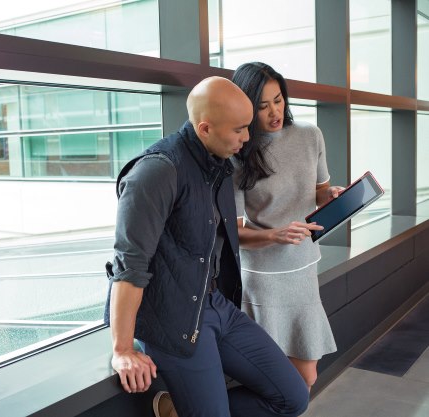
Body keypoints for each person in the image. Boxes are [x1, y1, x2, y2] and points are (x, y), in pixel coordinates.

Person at [104, 76, 309, 417]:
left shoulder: (219, 165)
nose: (246, 139)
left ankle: (181, 411)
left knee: (293, 398)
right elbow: (129, 266)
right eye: (240, 130)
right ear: (205, 128)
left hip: (215, 304)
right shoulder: (156, 172)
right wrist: (123, 348)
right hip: (172, 319)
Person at [231, 62, 340, 391]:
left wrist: (330, 195)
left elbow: (318, 190)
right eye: (262, 106)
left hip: (303, 269)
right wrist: (274, 235)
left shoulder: (310, 135)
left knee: (306, 377)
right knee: (278, 382)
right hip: (263, 278)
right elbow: (234, 232)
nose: (274, 112)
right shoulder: (237, 153)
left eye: (278, 100)